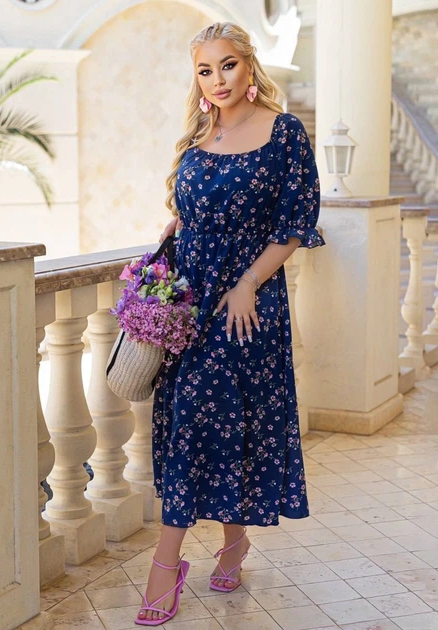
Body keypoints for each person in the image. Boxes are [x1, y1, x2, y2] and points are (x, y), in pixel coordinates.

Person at [135, 21, 326, 626]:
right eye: (204, 70)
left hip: (247, 305)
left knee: (229, 420)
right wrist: (178, 226)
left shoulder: (284, 132)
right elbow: (192, 208)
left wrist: (247, 283)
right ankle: (205, 550)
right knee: (191, 419)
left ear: (249, 67)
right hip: (192, 304)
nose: (216, 80)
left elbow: (296, 221)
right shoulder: (200, 135)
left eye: (227, 65)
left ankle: (189, 556)